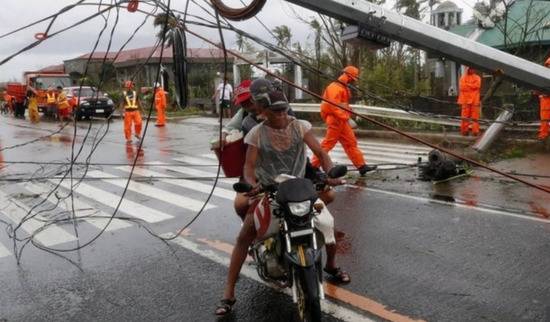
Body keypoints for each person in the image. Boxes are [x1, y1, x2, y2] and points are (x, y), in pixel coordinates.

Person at [215, 90, 350, 316]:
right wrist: (252, 184)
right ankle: (228, 293)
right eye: (276, 111)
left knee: (328, 225)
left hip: (300, 189)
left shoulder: (300, 127)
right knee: (244, 237)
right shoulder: (256, 134)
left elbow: (320, 152)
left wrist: (329, 173)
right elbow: (248, 167)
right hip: (271, 191)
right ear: (265, 112)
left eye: (284, 109)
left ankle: (331, 265)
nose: (281, 114)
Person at [311, 66, 376, 176]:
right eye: (352, 79)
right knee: (328, 144)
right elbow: (333, 107)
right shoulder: (335, 88)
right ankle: (313, 167)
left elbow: (341, 105)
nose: (353, 82)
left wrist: (347, 114)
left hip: (341, 120)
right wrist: (347, 117)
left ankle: (361, 166)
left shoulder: (342, 87)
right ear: (348, 76)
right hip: (336, 120)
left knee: (351, 143)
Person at [457, 67, 482, 136]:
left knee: (475, 117)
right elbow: (462, 87)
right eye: (470, 69)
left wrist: (467, 86)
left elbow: (477, 86)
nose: (472, 70)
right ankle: (465, 131)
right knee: (464, 117)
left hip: (474, 100)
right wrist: (472, 87)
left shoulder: (477, 78)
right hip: (465, 100)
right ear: (468, 69)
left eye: (473, 68)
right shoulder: (463, 78)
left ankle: (475, 132)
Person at [537, 57, 550, 141]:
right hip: (545, 105)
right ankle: (543, 137)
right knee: (545, 122)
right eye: (548, 65)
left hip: (546, 104)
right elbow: (536, 91)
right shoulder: (542, 77)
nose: (549, 67)